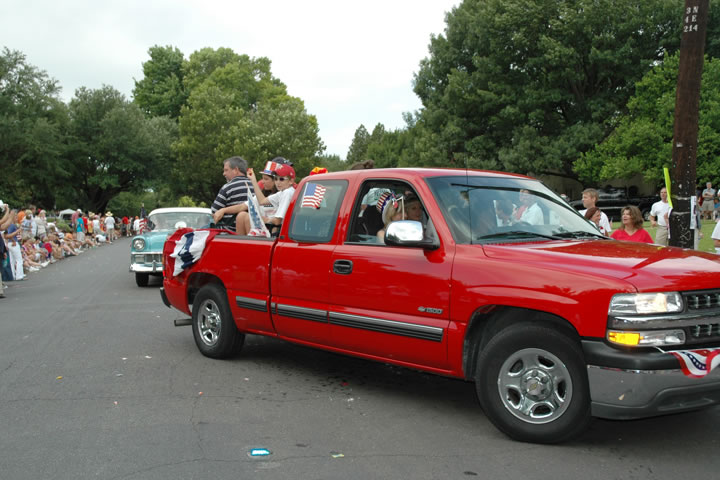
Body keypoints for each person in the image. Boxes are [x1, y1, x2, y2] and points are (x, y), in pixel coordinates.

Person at [230, 164, 297, 235]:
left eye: (281, 179)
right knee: (243, 215)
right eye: (276, 179)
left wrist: (263, 219)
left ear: (291, 181)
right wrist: (253, 180)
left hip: (280, 234)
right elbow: (262, 201)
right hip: (279, 231)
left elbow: (277, 221)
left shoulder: (287, 192)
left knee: (247, 218)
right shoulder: (282, 192)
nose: (278, 182)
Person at [210, 156, 253, 231]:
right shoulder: (255, 187)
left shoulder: (227, 187)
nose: (224, 174)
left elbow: (214, 211)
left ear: (236, 170)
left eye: (226, 170)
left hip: (228, 231)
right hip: (251, 229)